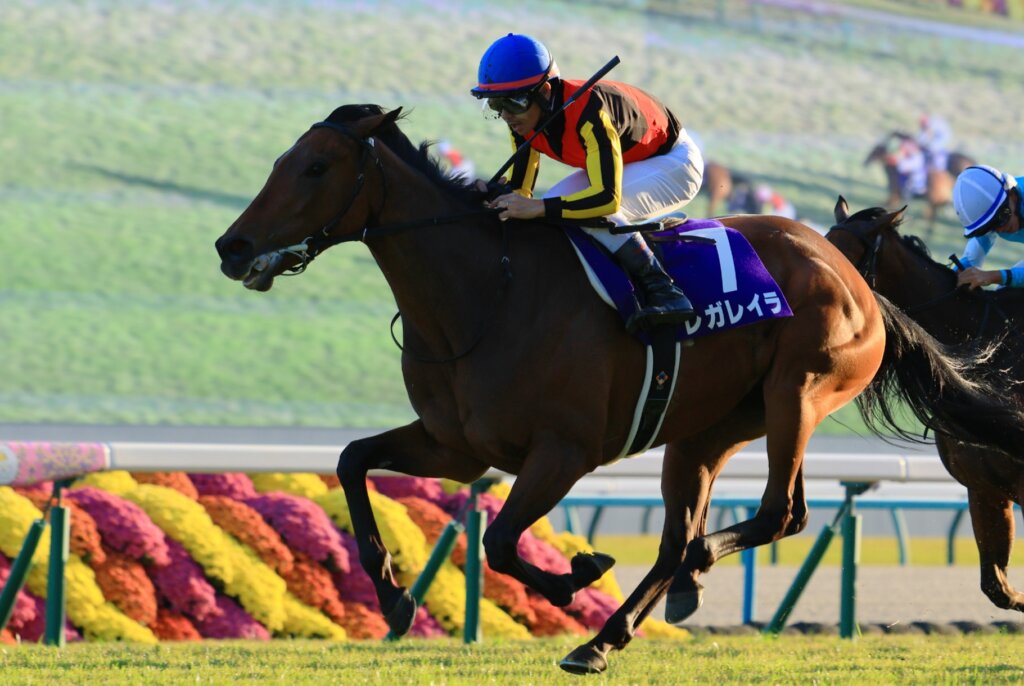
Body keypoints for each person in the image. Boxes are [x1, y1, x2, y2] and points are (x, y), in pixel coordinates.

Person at [470, 33, 704, 330]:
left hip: (675, 163)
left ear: (543, 91)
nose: (505, 115)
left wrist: (539, 207)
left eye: (512, 103)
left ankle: (664, 289)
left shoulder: (590, 113)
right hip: (634, 160)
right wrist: (491, 195)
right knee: (558, 203)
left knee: (581, 209)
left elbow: (606, 199)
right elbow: (520, 192)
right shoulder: (523, 120)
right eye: (495, 105)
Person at [952, 164, 1024, 290]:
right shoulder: (1000, 206)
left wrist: (994, 276)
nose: (1000, 229)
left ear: (1013, 195)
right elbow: (970, 262)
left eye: (1003, 218)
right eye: (990, 227)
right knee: (1005, 292)